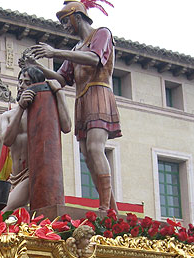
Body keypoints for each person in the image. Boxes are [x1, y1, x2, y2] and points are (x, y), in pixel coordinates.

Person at [31, 0, 121, 212]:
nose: (65, 26)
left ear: (77, 17)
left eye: (65, 21)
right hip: (82, 99)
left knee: (94, 148)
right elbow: (61, 79)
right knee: (86, 153)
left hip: (99, 93)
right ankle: (112, 209)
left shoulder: (101, 34)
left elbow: (94, 58)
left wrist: (55, 53)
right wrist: (37, 67)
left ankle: (105, 207)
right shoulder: (75, 48)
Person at [0, 66, 71, 212]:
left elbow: (67, 126)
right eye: (19, 82)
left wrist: (59, 93)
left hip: (32, 174)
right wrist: (20, 107)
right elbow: (7, 140)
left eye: (26, 82)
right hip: (13, 177)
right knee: (11, 215)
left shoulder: (45, 112)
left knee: (6, 210)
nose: (21, 86)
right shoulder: (6, 116)